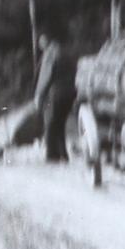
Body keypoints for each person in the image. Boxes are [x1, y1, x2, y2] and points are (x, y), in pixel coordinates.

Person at [33, 22, 78, 163]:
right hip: (70, 93)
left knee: (50, 123)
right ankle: (63, 154)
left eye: (41, 40)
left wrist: (38, 95)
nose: (39, 43)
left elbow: (45, 77)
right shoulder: (65, 51)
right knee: (60, 124)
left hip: (55, 93)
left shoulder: (50, 54)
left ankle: (52, 155)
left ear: (47, 39)